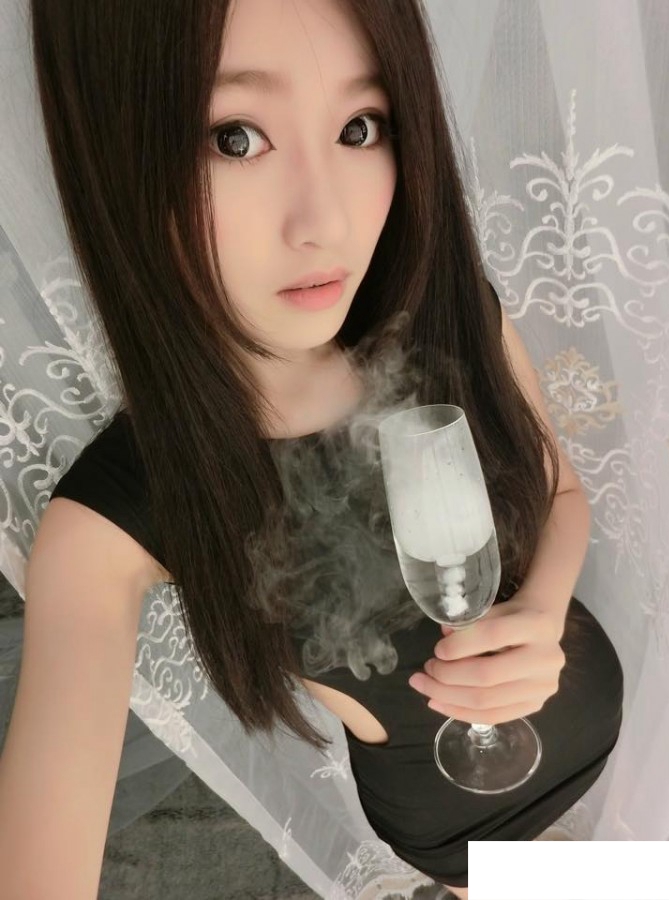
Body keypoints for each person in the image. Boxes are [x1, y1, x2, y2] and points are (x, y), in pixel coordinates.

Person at [0, 1, 624, 898]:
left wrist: (542, 610)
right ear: (115, 148)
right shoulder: (117, 514)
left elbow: (560, 494)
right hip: (472, 843)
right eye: (235, 139)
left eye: (360, 127)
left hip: (609, 747)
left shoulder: (443, 315)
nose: (324, 221)